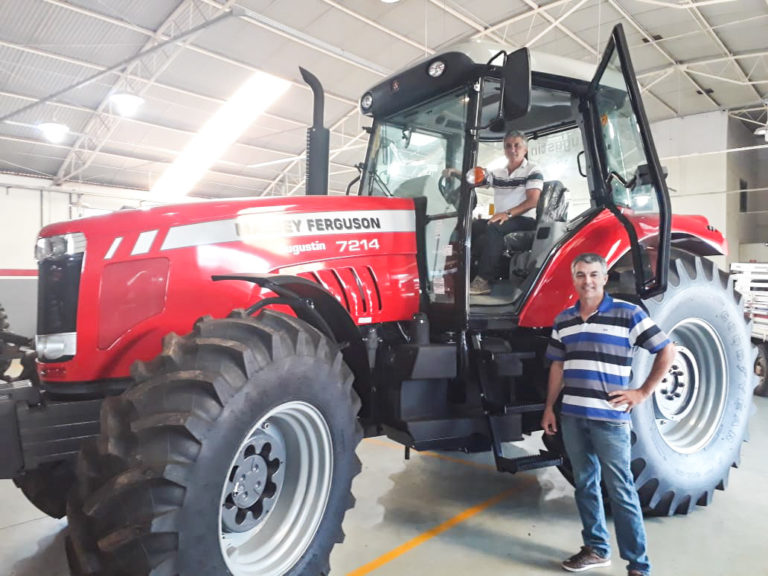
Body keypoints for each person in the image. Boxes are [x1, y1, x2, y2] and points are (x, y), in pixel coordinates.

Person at [541, 253, 675, 576]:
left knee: (621, 489)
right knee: (585, 484)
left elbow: (666, 350)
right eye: (580, 275)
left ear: (604, 278)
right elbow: (558, 366)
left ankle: (638, 565)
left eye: (593, 274)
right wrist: (549, 407)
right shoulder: (564, 320)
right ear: (573, 280)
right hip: (573, 416)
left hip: (610, 420)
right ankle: (596, 548)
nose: (587, 281)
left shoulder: (627, 314)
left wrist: (642, 392)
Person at [469, 130, 543, 295]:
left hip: (524, 220)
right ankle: (466, 274)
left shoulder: (532, 170)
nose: (512, 149)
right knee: (472, 226)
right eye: (508, 146)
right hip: (503, 219)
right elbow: (475, 179)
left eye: (517, 145)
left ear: (525, 149)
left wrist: (508, 214)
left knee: (494, 227)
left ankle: (484, 280)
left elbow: (533, 201)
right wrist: (455, 173)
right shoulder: (498, 173)